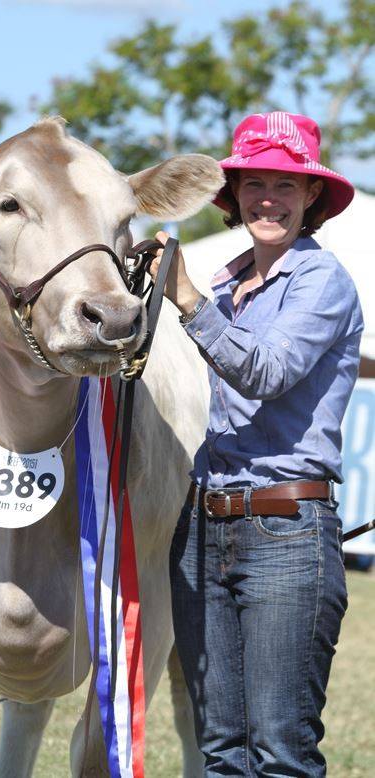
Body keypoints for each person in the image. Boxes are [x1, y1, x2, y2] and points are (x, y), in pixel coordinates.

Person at [149, 111, 363, 777]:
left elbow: (266, 371)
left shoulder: (322, 282)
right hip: (203, 529)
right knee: (220, 752)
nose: (268, 199)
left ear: (312, 200)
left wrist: (183, 297)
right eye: (255, 185)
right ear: (234, 197)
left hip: (287, 532)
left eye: (286, 186)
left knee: (280, 754)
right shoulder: (224, 286)